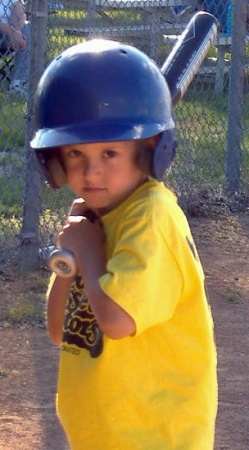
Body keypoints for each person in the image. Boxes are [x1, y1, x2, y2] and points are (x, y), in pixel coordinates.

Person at [31, 39, 218, 449]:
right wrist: (73, 255)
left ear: (149, 149)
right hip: (104, 435)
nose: (91, 171)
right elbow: (59, 330)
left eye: (110, 152)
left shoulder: (150, 219)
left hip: (154, 436)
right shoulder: (99, 220)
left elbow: (116, 321)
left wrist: (90, 250)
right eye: (76, 152)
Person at [0, 0, 30, 93]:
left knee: (28, 29)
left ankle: (17, 82)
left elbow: (19, 10)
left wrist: (18, 32)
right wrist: (11, 32)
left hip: (11, 34)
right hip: (5, 31)